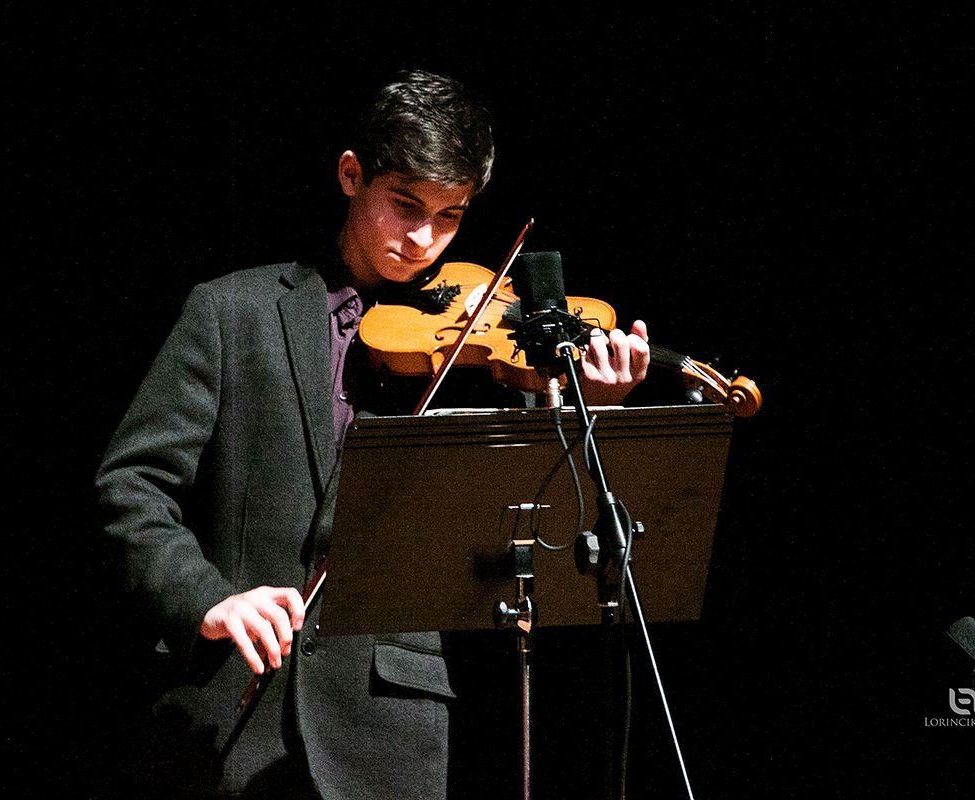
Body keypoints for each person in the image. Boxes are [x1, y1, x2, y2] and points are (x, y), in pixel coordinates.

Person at [95, 69, 650, 799]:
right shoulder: (231, 312)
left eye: (450, 217)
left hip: (390, 732)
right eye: (405, 205)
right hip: (227, 712)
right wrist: (207, 598)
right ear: (351, 175)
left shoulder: (480, 357)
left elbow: (538, 521)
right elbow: (132, 487)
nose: (424, 240)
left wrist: (591, 408)